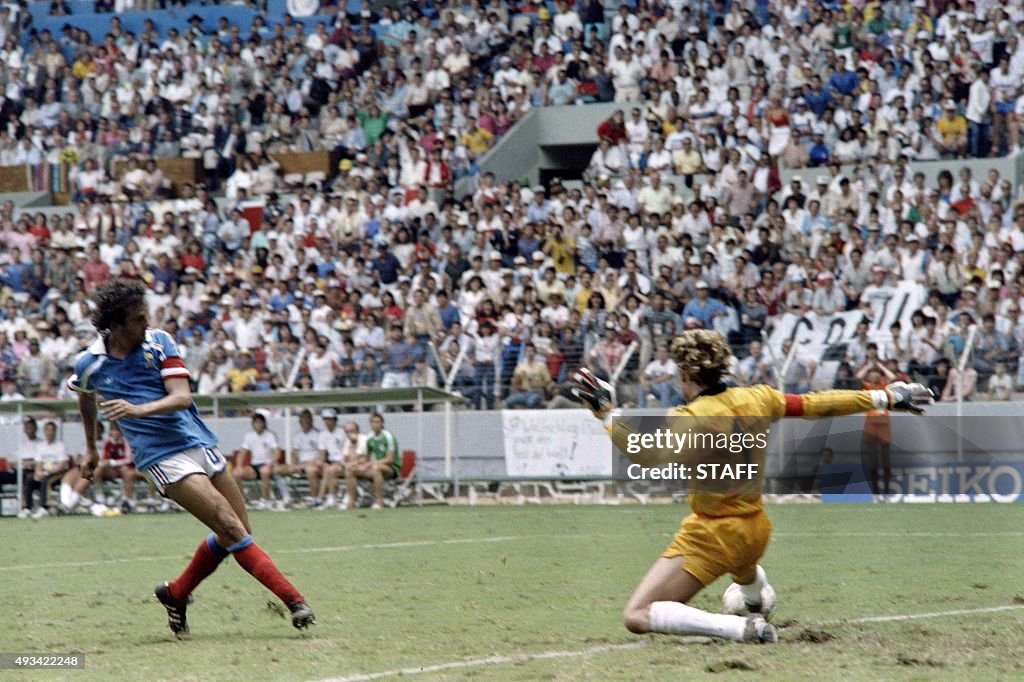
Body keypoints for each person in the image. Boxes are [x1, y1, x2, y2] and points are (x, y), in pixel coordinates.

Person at [570, 329, 932, 644]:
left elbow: (645, 455)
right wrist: (884, 397)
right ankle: (756, 599)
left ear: (683, 374)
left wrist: (606, 413)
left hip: (714, 532)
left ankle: (741, 629)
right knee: (743, 571)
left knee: (637, 614)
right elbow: (815, 403)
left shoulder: (691, 418)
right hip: (756, 528)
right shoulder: (758, 397)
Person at [69, 279, 315, 637]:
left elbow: (182, 396)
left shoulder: (160, 342)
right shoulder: (90, 362)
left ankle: (176, 593)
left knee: (239, 530)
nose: (146, 324)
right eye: (138, 319)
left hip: (198, 442)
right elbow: (83, 392)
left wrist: (138, 410)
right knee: (229, 527)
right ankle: (295, 601)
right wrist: (91, 447)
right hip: (161, 457)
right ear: (117, 325)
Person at [232, 411, 289, 510]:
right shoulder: (249, 436)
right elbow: (242, 452)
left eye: (261, 422)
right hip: (254, 465)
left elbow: (277, 452)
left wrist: (269, 464)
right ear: (253, 424)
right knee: (236, 473)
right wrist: (239, 466)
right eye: (256, 422)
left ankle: (264, 500)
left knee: (264, 471)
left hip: (268, 465)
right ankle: (242, 500)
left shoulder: (270, 435)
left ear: (264, 423)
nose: (259, 424)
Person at [345, 412, 399, 510]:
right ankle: (351, 501)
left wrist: (370, 464)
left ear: (382, 423)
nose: (376, 424)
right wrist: (358, 464)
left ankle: (379, 501)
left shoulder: (389, 437)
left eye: (378, 422)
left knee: (375, 468)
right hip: (375, 466)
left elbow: (390, 459)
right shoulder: (369, 437)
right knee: (350, 468)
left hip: (391, 469)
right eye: (373, 422)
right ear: (370, 424)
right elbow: (366, 457)